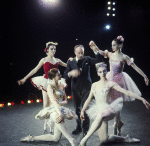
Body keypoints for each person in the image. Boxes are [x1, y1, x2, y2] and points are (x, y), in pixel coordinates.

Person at [89, 36, 149, 135]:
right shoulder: (110, 54)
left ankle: (117, 124)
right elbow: (99, 51)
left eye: (114, 45)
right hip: (110, 79)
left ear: (120, 45)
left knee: (116, 102)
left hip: (119, 81)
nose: (112, 47)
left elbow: (135, 67)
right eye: (112, 45)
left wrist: (145, 76)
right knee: (111, 102)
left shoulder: (124, 57)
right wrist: (93, 45)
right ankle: (118, 122)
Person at [79, 62, 150, 146]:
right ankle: (125, 139)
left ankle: (84, 140)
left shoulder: (110, 84)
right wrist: (82, 110)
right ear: (97, 73)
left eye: (104, 71)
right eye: (100, 72)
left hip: (107, 109)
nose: (102, 73)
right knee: (104, 140)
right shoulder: (94, 85)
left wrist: (142, 99)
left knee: (101, 114)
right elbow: (88, 99)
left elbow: (127, 92)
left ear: (107, 71)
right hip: (97, 110)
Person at [17, 41, 67, 133]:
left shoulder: (57, 60)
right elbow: (34, 70)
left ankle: (52, 125)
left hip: (55, 83)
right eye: (51, 49)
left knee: (54, 104)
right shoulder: (43, 60)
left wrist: (74, 61)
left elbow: (68, 65)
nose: (53, 51)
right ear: (47, 50)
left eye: (55, 49)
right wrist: (24, 78)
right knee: (45, 104)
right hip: (46, 82)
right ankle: (45, 124)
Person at [20, 68, 77, 146]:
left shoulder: (61, 85)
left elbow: (65, 101)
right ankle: (71, 140)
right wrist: (59, 111)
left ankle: (32, 138)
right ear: (53, 76)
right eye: (58, 74)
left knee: (55, 138)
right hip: (53, 109)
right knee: (57, 117)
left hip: (61, 108)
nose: (60, 75)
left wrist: (59, 103)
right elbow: (53, 101)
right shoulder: (49, 87)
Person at [63, 44, 103, 137]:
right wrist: (70, 73)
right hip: (75, 88)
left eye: (82, 52)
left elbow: (98, 60)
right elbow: (65, 75)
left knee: (85, 109)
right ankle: (78, 127)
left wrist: (95, 50)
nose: (81, 54)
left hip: (86, 88)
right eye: (78, 53)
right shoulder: (70, 61)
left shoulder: (87, 59)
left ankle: (85, 129)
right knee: (77, 109)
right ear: (75, 52)